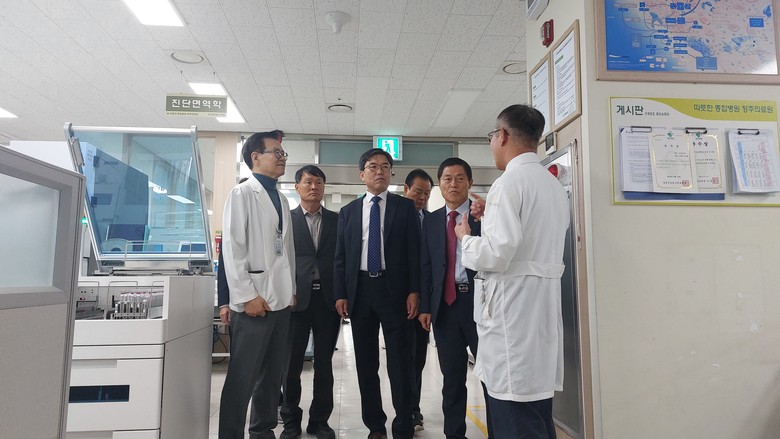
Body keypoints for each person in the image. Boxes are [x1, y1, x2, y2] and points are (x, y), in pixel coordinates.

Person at [454, 105, 569, 439]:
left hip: (513, 318)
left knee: (514, 416)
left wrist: (466, 239)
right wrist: (491, 214)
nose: (492, 143)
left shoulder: (508, 183)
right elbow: (528, 241)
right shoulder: (550, 184)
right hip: (539, 313)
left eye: (492, 136)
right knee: (537, 414)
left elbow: (496, 254)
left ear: (502, 135)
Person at [333, 148, 421, 439]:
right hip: (360, 291)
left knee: (400, 362)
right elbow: (341, 257)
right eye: (373, 167)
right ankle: (375, 425)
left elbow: (415, 253)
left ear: (391, 173)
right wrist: (341, 293)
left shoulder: (405, 207)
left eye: (385, 166)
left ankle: (403, 425)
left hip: (395, 291)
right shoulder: (348, 212)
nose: (380, 171)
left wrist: (415, 290)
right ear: (362, 174)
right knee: (366, 363)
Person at [219, 130, 297, 439]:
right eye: (276, 153)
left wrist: (291, 290)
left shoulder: (281, 197)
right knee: (242, 378)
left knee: (271, 377)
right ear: (255, 157)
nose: (282, 158)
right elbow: (232, 248)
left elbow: (286, 249)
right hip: (254, 302)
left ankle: (262, 432)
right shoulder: (241, 194)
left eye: (283, 154)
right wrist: (245, 295)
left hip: (280, 301)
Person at [418, 157, 493, 439]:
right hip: (445, 308)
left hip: (479, 305)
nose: (454, 184)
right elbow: (426, 266)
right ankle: (454, 434)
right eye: (447, 179)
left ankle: (497, 431)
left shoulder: (483, 216)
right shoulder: (431, 221)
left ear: (470, 183)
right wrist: (426, 306)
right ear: (440, 184)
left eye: (460, 178)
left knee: (489, 375)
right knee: (452, 378)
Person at [280, 165, 341, 439]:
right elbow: (279, 259)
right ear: (297, 187)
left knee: (324, 364)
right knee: (291, 365)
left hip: (327, 300)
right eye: (308, 182)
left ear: (324, 187)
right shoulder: (286, 220)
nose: (314, 186)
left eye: (318, 182)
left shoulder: (337, 220)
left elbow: (342, 260)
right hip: (295, 301)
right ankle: (290, 420)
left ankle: (320, 420)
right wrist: (285, 291)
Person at [402, 168, 433, 432]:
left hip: (424, 301)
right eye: (418, 192)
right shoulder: (394, 217)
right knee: (402, 359)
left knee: (418, 359)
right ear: (406, 189)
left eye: (427, 194)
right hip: (398, 300)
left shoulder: (432, 221)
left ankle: (414, 409)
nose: (422, 198)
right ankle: (405, 411)